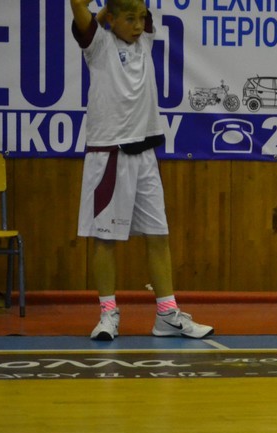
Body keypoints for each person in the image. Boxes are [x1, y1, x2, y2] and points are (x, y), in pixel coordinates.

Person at [69, 0, 212, 341]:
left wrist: (128, 10)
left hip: (145, 153)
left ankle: (166, 315)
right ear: (111, 18)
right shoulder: (98, 44)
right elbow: (78, 5)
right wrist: (104, 11)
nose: (137, 25)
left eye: (141, 18)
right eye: (129, 19)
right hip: (109, 154)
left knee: (158, 235)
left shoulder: (145, 40)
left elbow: (137, 12)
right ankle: (108, 314)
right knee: (105, 239)